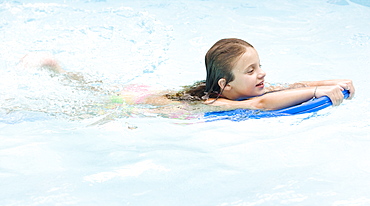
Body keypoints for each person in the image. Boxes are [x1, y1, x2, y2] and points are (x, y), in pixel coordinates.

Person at [20, 38, 355, 112]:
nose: (262, 74)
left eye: (260, 65)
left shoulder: (240, 87)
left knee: (95, 89)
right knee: (86, 103)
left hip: (153, 93)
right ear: (225, 85)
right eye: (251, 70)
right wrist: (316, 94)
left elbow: (288, 86)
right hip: (136, 103)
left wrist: (335, 83)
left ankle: (56, 68)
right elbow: (263, 105)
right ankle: (53, 69)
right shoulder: (219, 103)